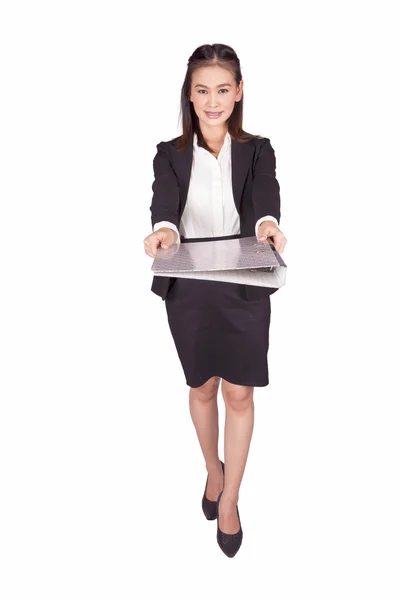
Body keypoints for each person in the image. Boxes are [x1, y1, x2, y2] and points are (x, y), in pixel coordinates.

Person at [143, 43, 287, 558]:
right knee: (203, 387)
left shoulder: (258, 148)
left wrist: (269, 223)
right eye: (202, 90)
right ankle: (212, 471)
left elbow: (265, 193)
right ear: (189, 94)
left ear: (239, 92)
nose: (212, 100)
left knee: (240, 394)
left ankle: (231, 500)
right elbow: (164, 200)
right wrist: (162, 230)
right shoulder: (170, 152)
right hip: (190, 282)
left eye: (222, 89)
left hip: (245, 278)